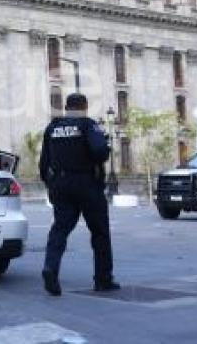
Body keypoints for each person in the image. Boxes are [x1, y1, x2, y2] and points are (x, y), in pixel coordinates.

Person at [40, 92, 121, 296]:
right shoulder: (87, 125)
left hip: (60, 183)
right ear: (84, 106)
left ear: (67, 107)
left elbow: (43, 163)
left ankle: (51, 268)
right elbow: (99, 152)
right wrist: (105, 145)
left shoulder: (52, 128)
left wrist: (51, 183)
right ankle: (103, 279)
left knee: (60, 229)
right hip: (87, 183)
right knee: (99, 232)